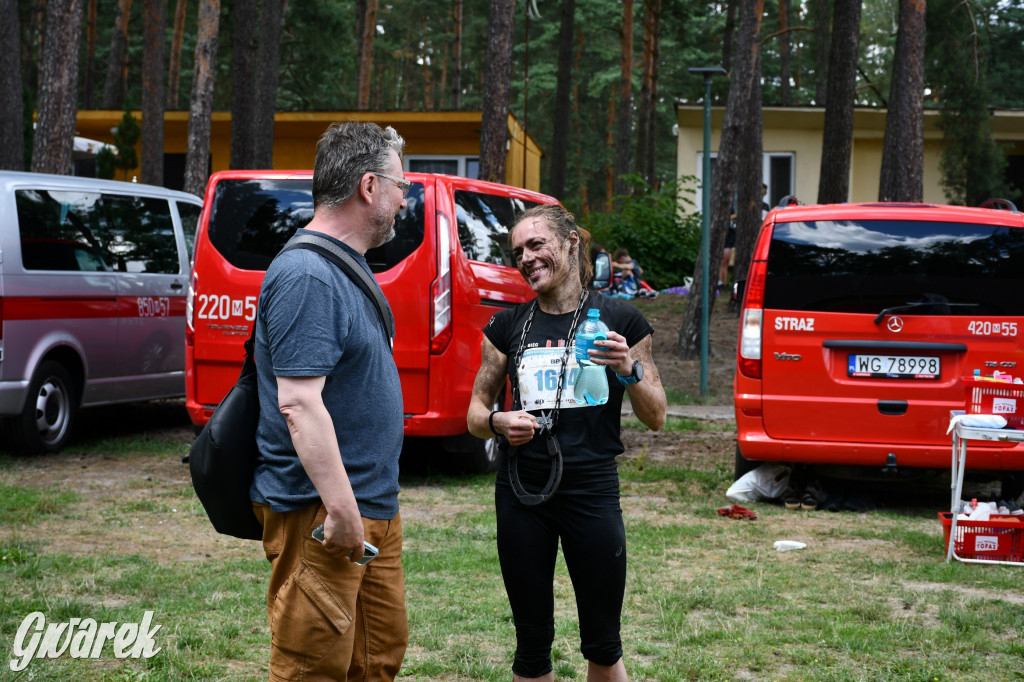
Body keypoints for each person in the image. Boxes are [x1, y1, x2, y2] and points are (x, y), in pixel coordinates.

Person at [467, 204, 667, 681]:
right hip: (522, 494)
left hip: (592, 492)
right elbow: (475, 413)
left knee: (603, 644)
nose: (527, 258)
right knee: (531, 645)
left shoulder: (622, 320)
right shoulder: (506, 327)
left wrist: (628, 370)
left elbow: (656, 414)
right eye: (518, 251)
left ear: (571, 242)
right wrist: (499, 422)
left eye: (537, 245)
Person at [250, 121, 409, 681]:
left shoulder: (348, 265)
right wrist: (341, 510)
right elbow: (298, 403)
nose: (403, 198)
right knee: (312, 668)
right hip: (324, 515)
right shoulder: (308, 275)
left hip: (367, 510)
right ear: (369, 186)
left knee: (375, 660)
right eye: (399, 185)